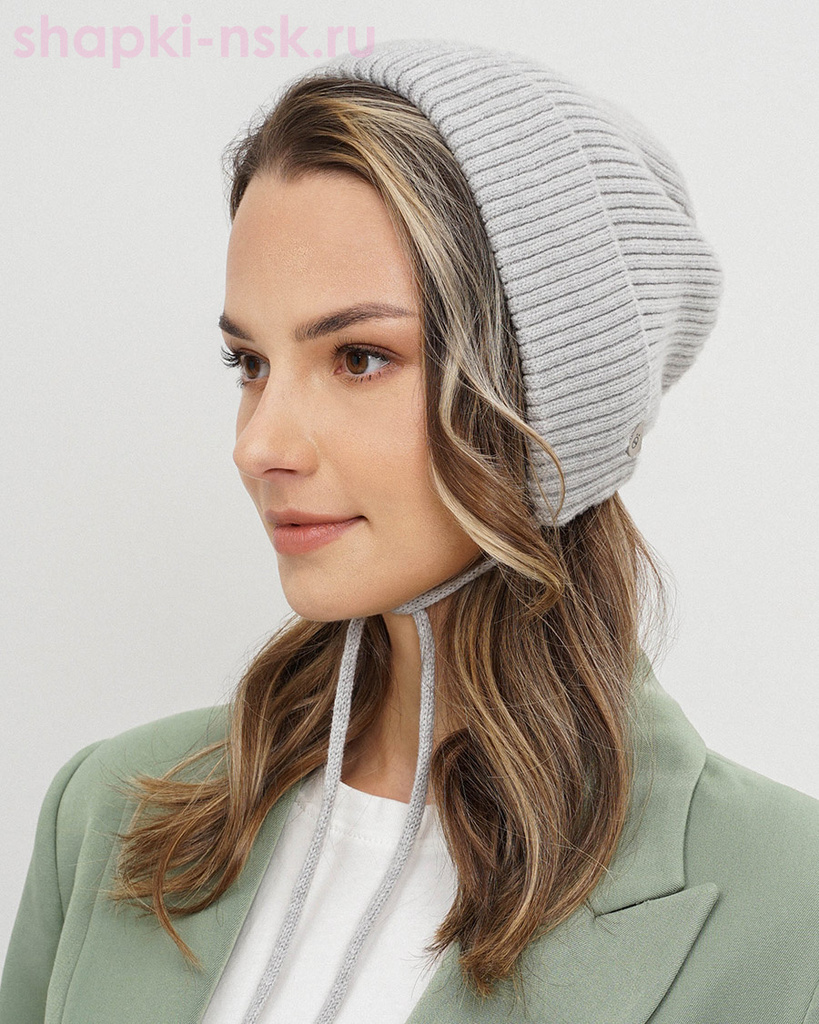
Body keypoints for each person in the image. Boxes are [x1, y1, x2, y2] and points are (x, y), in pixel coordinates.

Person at [2, 36, 818, 1024]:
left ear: (549, 396)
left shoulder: (787, 906)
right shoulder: (104, 812)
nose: (258, 445)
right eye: (250, 363)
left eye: (358, 357)